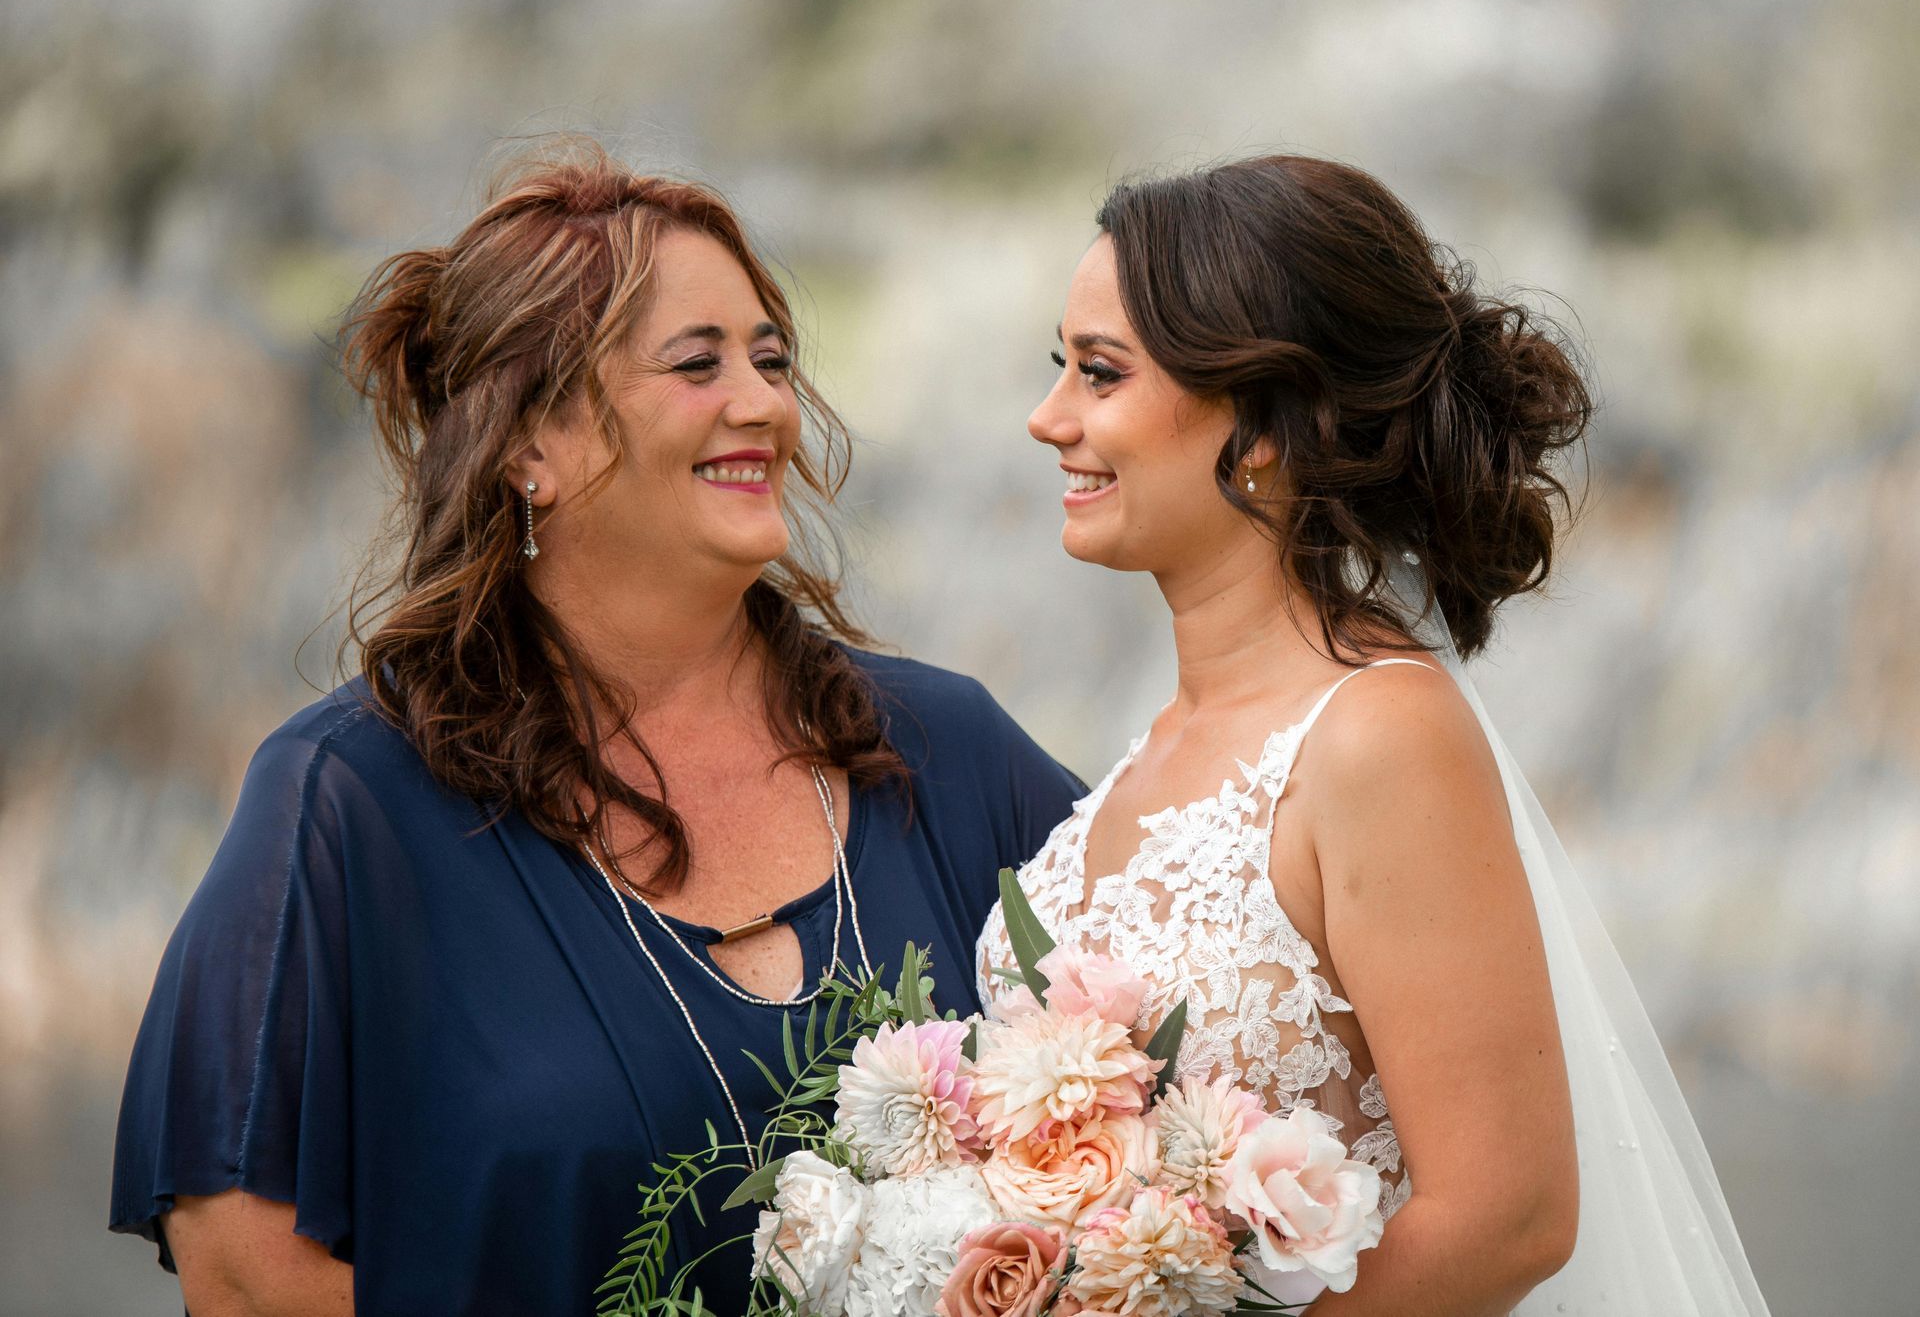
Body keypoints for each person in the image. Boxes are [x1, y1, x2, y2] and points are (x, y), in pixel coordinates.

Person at [110, 143, 1083, 1316]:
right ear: (532, 445)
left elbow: (1185, 1060)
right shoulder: (346, 805)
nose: (764, 403)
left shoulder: (949, 753)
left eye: (772, 360)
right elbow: (245, 1272)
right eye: (698, 363)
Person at [979, 154, 1772, 1314]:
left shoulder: (1376, 736)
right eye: (1063, 370)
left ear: (1261, 425)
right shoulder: (1144, 754)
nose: (1050, 419)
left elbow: (1510, 1216)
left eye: (1101, 375)